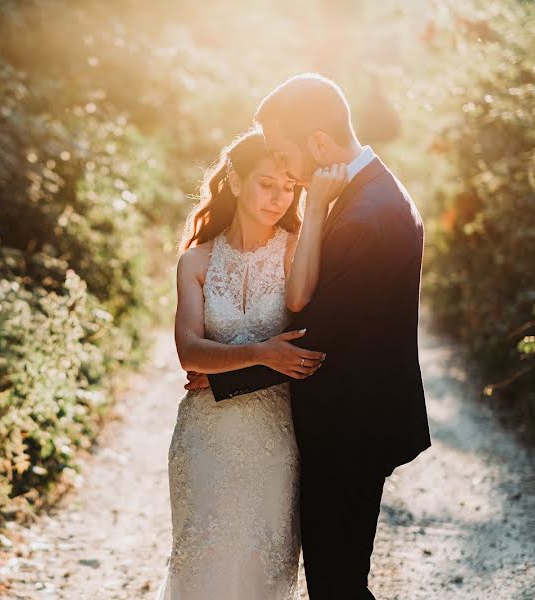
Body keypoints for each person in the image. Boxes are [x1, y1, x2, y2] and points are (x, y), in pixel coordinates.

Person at [187, 73, 432, 599]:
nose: (284, 167)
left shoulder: (368, 215)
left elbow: (319, 335)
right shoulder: (369, 192)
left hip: (350, 428)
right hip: (351, 422)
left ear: (318, 143)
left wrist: (224, 376)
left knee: (337, 585)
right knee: (337, 581)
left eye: (283, 150)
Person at [156, 126, 348, 599]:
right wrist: (263, 353)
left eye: (289, 187)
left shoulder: (297, 249)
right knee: (201, 567)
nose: (279, 198)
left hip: (273, 442)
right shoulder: (196, 262)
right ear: (237, 182)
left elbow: (301, 302)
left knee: (260, 572)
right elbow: (188, 352)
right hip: (202, 440)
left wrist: (317, 206)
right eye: (267, 184)